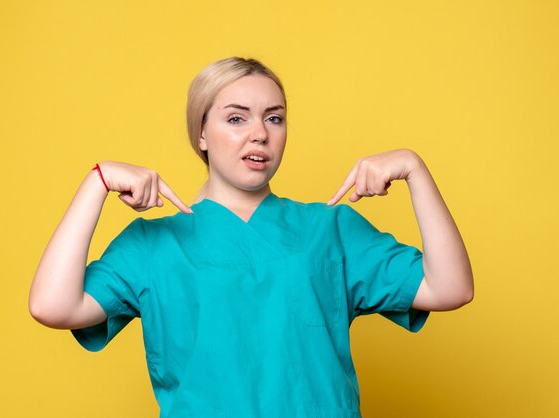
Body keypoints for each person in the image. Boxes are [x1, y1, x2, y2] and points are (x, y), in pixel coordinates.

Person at [29, 57, 473, 418]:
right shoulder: (153, 244)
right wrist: (96, 184)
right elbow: (53, 306)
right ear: (201, 133)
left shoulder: (331, 230)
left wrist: (416, 170)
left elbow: (451, 288)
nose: (260, 133)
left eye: (274, 118)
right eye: (236, 118)